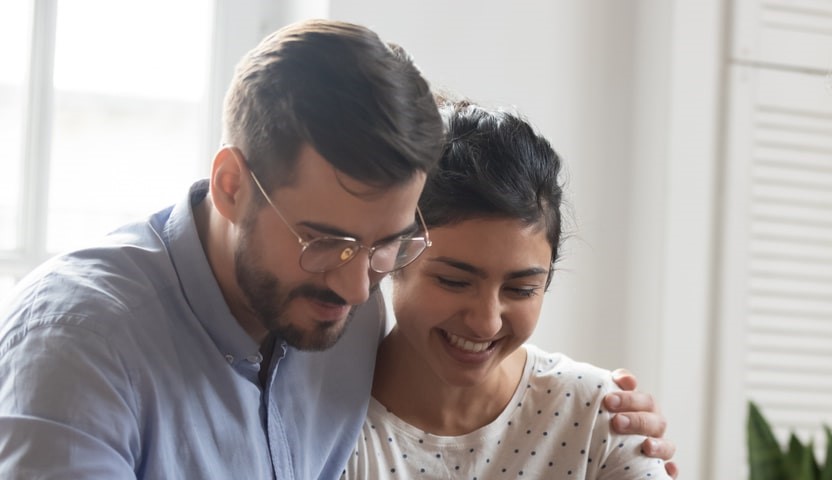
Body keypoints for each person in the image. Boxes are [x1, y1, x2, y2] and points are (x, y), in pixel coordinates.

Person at [0, 19, 671, 479]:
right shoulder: (78, 344)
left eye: (388, 246)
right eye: (327, 242)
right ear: (233, 185)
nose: (357, 293)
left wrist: (601, 405)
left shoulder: (340, 316)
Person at [343, 100, 672, 479]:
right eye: (454, 281)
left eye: (521, 289)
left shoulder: (597, 412)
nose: (485, 323)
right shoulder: (325, 427)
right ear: (392, 254)